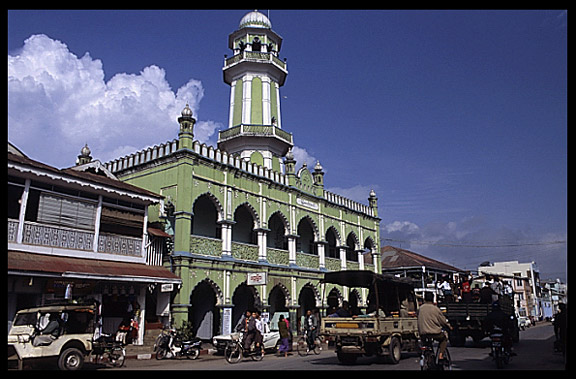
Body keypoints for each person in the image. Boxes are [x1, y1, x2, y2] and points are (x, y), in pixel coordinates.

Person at [417, 291, 452, 360]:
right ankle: (441, 355)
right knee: (444, 338)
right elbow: (443, 321)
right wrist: (449, 326)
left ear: (424, 299)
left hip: (423, 333)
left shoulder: (420, 309)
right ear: (433, 299)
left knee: (426, 344)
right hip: (435, 333)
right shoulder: (435, 309)